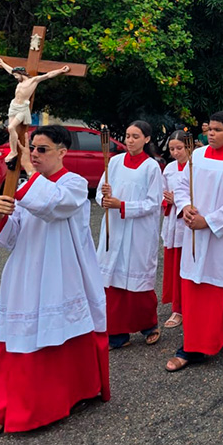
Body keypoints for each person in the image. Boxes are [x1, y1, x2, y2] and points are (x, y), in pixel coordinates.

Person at [0, 125, 109, 440]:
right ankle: (6, 409)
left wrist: (24, 166)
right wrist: (2, 216)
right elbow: (12, 236)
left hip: (62, 273)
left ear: (62, 152)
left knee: (65, 334)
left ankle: (71, 395)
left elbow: (53, 207)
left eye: (41, 149)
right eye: (32, 148)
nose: (34, 154)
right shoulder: (25, 186)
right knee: (20, 339)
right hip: (26, 271)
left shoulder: (75, 184)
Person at [166, 111, 223, 372]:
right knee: (197, 292)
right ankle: (193, 347)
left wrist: (208, 221)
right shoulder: (197, 155)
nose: (211, 134)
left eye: (217, 130)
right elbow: (182, 186)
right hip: (195, 235)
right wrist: (185, 207)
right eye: (210, 130)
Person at [96, 120, 164, 350]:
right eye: (127, 136)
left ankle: (149, 325)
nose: (130, 140)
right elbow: (100, 192)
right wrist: (104, 199)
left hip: (139, 231)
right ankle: (117, 334)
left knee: (138, 284)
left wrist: (122, 205)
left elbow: (153, 203)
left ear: (147, 139)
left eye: (136, 136)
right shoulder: (114, 162)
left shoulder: (151, 167)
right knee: (112, 283)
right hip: (114, 227)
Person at [0, 58, 70, 169]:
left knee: (11, 127)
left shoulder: (33, 81)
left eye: (16, 76)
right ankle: (13, 151)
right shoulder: (19, 81)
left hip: (22, 108)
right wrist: (2, 63)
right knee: (11, 130)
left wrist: (61, 70)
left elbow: (48, 75)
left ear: (21, 73)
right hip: (13, 106)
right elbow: (10, 70)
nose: (15, 78)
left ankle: (14, 151)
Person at [161, 131, 190, 329]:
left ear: (188, 147)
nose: (175, 153)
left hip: (188, 221)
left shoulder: (196, 167)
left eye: (179, 148)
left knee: (188, 265)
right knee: (174, 267)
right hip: (172, 222)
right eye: (172, 149)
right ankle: (177, 308)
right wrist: (167, 201)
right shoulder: (169, 169)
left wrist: (179, 201)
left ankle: (189, 305)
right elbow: (160, 194)